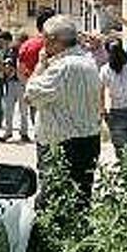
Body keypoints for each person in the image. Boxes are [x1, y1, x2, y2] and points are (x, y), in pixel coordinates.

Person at [25, 16, 102, 209]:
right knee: (81, 199)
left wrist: (41, 65)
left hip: (62, 143)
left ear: (52, 39)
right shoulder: (88, 61)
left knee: (53, 202)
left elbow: (31, 95)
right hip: (89, 140)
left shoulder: (63, 67)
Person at [18, 7, 56, 142]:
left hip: (36, 94)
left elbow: (20, 71)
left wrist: (29, 86)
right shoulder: (60, 45)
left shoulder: (27, 45)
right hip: (57, 97)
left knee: (40, 132)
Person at [2, 33, 30, 141]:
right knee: (9, 109)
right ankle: (9, 131)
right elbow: (6, 64)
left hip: (21, 83)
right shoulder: (11, 51)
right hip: (12, 82)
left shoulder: (25, 52)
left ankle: (23, 132)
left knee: (23, 110)